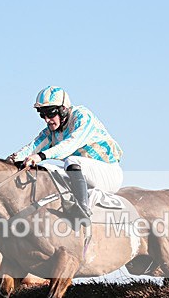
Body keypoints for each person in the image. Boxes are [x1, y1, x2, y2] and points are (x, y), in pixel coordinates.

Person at [8, 86, 123, 220]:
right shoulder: (51, 131)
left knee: (71, 161)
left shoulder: (82, 116)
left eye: (50, 113)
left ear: (63, 110)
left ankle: (83, 210)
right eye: (42, 114)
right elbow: (32, 147)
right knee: (45, 170)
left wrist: (41, 156)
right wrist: (11, 160)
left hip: (109, 174)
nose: (46, 119)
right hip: (84, 174)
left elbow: (69, 144)